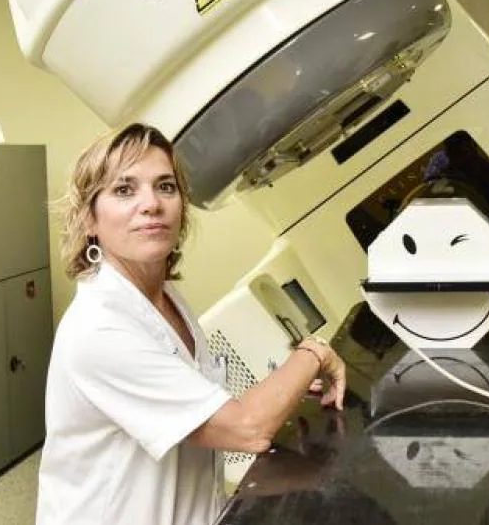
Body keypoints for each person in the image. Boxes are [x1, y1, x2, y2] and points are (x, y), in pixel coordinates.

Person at [36, 123, 347, 525]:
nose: (151, 204)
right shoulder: (100, 329)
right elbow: (247, 429)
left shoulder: (164, 299)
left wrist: (288, 389)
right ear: (89, 219)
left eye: (165, 186)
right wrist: (314, 352)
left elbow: (192, 407)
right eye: (124, 190)